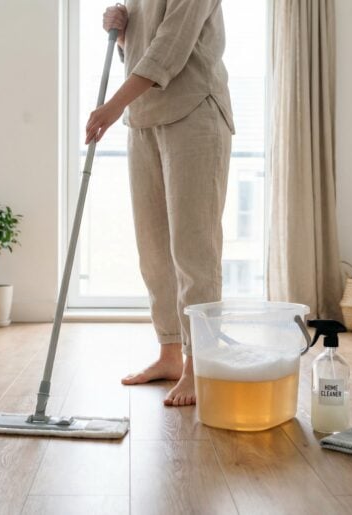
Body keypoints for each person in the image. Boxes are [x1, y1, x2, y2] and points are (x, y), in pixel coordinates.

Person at [86, 1, 234, 406]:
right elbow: (139, 52)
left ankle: (199, 363)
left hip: (194, 113)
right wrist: (120, 31)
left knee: (193, 249)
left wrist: (113, 105)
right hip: (143, 120)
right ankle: (170, 353)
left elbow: (170, 48)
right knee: (153, 250)